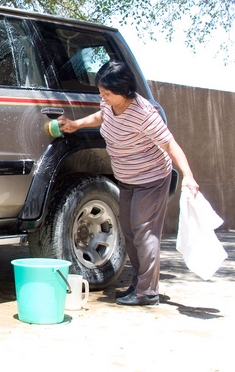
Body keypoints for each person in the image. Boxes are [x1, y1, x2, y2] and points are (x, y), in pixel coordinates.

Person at [58, 61, 199, 306]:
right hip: (127, 178)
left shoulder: (144, 114)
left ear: (125, 91)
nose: (103, 97)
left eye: (108, 93)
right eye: (101, 92)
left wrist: (188, 175)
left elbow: (170, 145)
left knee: (144, 233)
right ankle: (140, 284)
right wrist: (76, 124)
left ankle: (148, 293)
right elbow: (102, 115)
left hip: (152, 179)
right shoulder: (109, 104)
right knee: (130, 232)